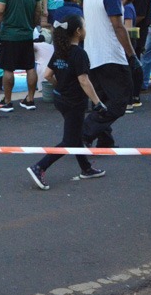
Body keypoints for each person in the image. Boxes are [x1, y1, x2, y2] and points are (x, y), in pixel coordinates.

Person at [26, 15, 107, 190]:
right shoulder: (79, 54)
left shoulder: (60, 51)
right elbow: (84, 81)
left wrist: (60, 86)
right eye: (84, 26)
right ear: (78, 32)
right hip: (75, 101)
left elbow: (48, 75)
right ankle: (39, 166)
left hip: (60, 99)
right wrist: (98, 102)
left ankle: (86, 168)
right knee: (69, 140)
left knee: (75, 135)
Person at [81, 0, 139, 148]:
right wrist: (131, 55)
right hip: (111, 56)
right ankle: (85, 133)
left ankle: (105, 140)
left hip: (92, 54)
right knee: (120, 101)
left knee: (102, 100)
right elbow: (118, 26)